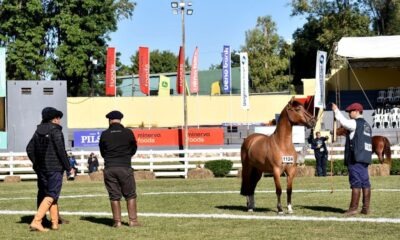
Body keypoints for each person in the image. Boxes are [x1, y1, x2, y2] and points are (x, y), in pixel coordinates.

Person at [26, 107, 74, 232]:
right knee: (52, 194)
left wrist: (36, 163)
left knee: (49, 194)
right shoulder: (56, 131)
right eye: (59, 118)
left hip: (42, 169)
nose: (60, 121)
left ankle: (54, 223)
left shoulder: (37, 131)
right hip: (55, 168)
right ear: (55, 119)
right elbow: (61, 152)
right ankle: (36, 221)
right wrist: (69, 168)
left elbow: (29, 149)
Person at [99, 110, 141, 227]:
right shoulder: (128, 132)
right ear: (120, 119)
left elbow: (102, 151)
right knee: (130, 194)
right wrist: (126, 156)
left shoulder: (105, 134)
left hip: (110, 167)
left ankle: (117, 222)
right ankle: (133, 221)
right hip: (124, 166)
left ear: (110, 120)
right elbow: (134, 148)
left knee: (114, 195)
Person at [332, 102, 372, 215]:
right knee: (365, 183)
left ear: (356, 111)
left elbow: (344, 122)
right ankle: (366, 208)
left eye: (350, 111)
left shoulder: (355, 123)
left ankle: (353, 208)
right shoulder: (367, 125)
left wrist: (336, 111)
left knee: (355, 182)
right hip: (365, 158)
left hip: (355, 158)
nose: (349, 113)